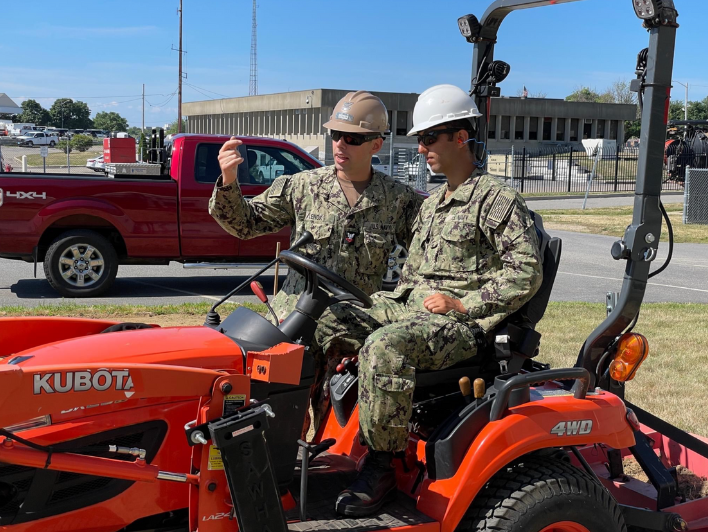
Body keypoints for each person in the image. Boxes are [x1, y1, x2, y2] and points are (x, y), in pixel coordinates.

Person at [315, 84, 543, 517]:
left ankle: (381, 466)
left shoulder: (496, 200)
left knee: (386, 346)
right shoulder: (433, 202)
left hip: (461, 327)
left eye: (428, 139)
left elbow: (525, 272)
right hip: (411, 304)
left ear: (460, 137)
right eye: (418, 140)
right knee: (328, 321)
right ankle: (308, 438)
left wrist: (465, 305)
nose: (419, 149)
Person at [209, 90, 423, 428]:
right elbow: (245, 224)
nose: (340, 144)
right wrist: (228, 181)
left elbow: (428, 253)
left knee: (339, 415)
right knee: (270, 409)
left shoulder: (398, 200)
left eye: (352, 138)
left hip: (351, 327)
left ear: (376, 145)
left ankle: (329, 466)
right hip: (293, 318)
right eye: (336, 135)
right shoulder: (301, 187)